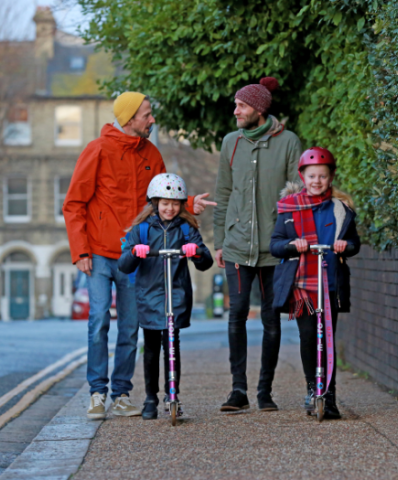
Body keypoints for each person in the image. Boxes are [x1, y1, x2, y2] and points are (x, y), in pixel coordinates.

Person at [63, 92, 216, 420]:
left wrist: (188, 205)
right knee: (99, 320)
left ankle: (121, 394)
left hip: (138, 255)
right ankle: (96, 393)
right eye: (147, 114)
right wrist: (80, 251)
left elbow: (160, 198)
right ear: (130, 117)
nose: (152, 120)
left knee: (130, 327)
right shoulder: (97, 150)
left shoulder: (151, 153)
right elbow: (74, 203)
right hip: (101, 254)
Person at [213, 77, 302, 412]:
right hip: (236, 245)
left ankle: (265, 391)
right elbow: (223, 194)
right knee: (236, 313)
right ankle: (238, 391)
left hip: (273, 248)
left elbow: (297, 195)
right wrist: (219, 240)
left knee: (270, 317)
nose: (236, 111)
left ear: (259, 110)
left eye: (242, 106)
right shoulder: (230, 143)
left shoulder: (289, 142)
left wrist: (292, 239)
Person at [269, 147, 361, 419]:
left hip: (330, 283)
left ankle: (329, 397)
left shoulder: (341, 209)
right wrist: (291, 245)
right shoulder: (288, 209)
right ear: (302, 176)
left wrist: (346, 246)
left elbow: (355, 243)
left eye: (322, 176)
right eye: (311, 176)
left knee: (328, 339)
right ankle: (313, 389)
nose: (317, 181)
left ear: (331, 177)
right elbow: (275, 245)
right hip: (304, 286)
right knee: (310, 337)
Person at [118, 173, 213, 420]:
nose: (169, 208)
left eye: (175, 203)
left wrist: (196, 253)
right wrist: (135, 253)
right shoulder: (141, 229)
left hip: (176, 292)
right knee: (150, 346)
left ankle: (173, 394)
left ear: (181, 205)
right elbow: (124, 265)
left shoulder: (185, 228)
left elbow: (205, 261)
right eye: (164, 203)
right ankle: (150, 397)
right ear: (155, 203)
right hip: (149, 294)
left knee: (172, 343)